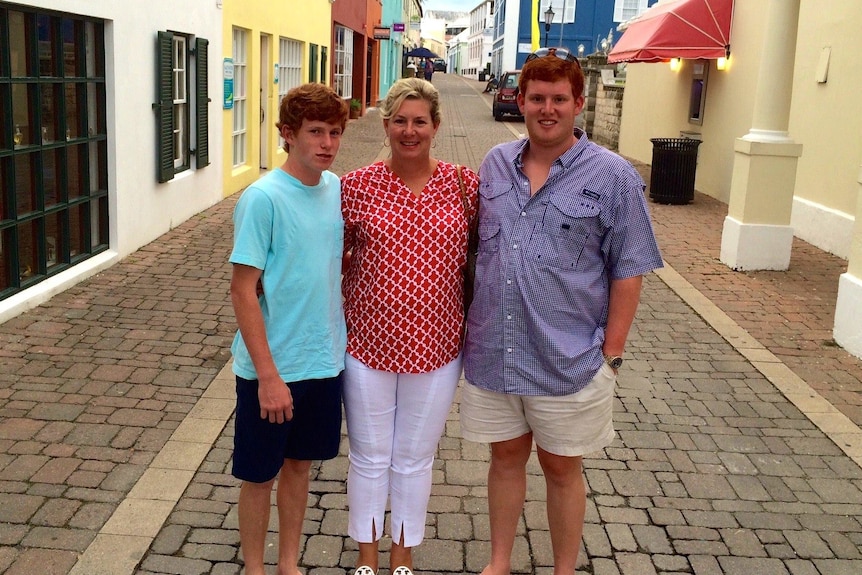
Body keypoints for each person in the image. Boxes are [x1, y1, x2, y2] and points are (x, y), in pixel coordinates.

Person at [461, 47, 663, 575]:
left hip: (568, 358)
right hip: (495, 353)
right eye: (536, 98)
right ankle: (499, 562)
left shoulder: (613, 177)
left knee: (560, 468)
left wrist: (611, 356)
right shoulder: (494, 165)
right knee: (504, 460)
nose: (546, 108)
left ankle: (563, 570)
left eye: (558, 98)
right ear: (521, 102)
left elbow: (630, 267)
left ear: (578, 103)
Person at [340, 77, 479, 575]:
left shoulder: (466, 184)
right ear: (386, 125)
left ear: (436, 126)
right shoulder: (354, 187)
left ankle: (403, 557)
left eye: (419, 120)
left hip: (438, 347)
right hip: (367, 344)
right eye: (399, 120)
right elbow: (330, 258)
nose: (409, 130)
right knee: (369, 456)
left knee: (415, 458)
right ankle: (367, 559)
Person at [229, 83, 349, 575]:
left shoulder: (336, 188)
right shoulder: (263, 199)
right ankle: (255, 567)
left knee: (300, 467)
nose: (327, 142)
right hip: (271, 367)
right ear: (287, 134)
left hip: (323, 360)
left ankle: (289, 563)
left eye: (335, 132)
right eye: (315, 131)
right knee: (259, 476)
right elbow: (242, 290)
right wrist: (269, 376)